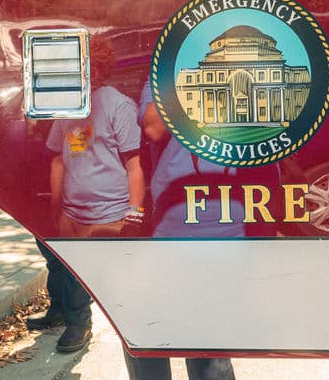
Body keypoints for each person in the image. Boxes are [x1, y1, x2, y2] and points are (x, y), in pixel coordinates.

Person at [121, 82, 240, 380]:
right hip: (174, 224)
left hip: (227, 222)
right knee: (144, 326)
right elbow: (154, 128)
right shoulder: (164, 73)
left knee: (208, 343)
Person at [34, 37, 145, 354]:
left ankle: (135, 330)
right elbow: (57, 158)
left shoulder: (119, 105)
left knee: (117, 280)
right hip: (73, 211)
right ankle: (78, 324)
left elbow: (134, 164)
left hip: (111, 214)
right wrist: (58, 209)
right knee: (71, 271)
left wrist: (133, 214)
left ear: (98, 67)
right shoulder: (68, 104)